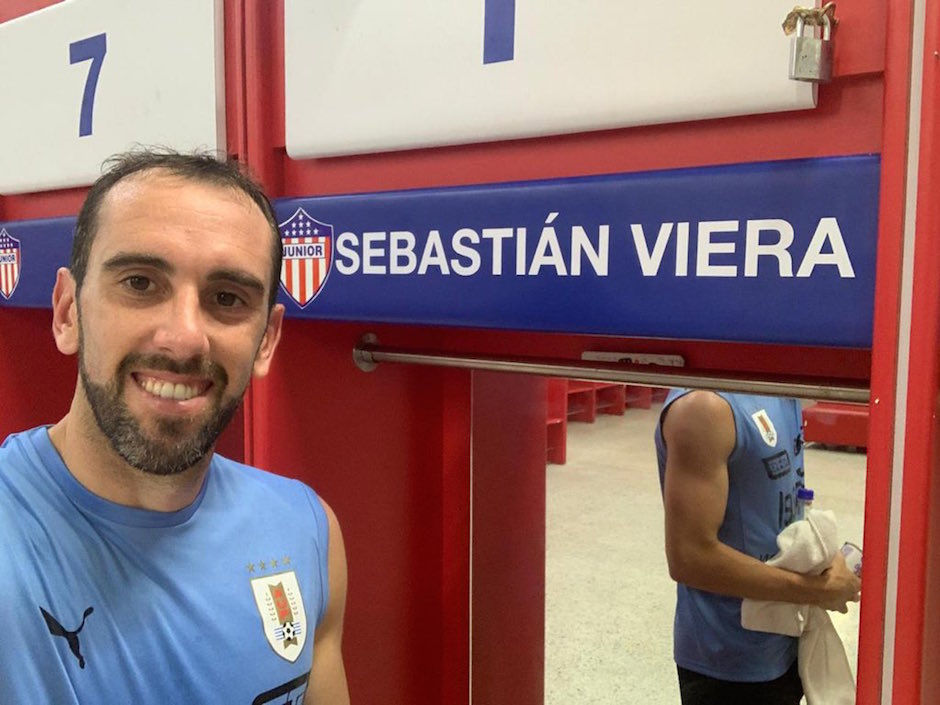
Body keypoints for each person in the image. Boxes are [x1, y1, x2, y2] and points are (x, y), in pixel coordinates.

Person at [0, 150, 349, 704]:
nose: (184, 338)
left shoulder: (306, 530)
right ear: (68, 312)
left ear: (265, 340)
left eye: (227, 298)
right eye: (140, 283)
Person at [654, 389, 861, 705]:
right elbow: (690, 557)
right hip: (729, 659)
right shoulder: (704, 409)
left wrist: (822, 560)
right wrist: (816, 590)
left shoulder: (780, 387)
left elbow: (772, 508)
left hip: (785, 635)